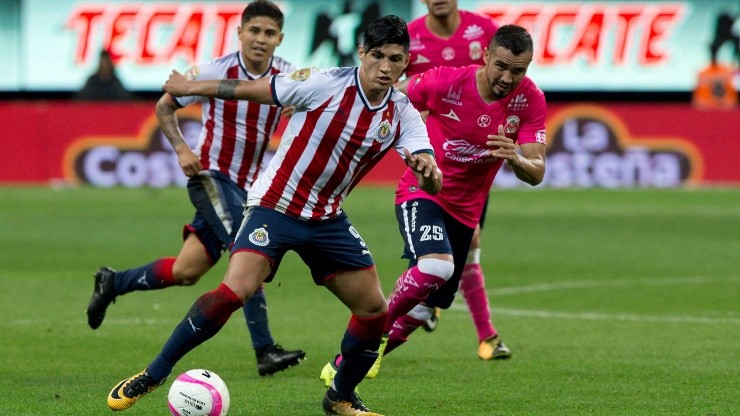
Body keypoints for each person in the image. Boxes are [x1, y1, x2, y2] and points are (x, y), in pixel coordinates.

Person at [105, 14, 442, 416]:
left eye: (396, 59)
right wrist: (190, 87)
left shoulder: (401, 113)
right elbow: (252, 89)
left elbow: (430, 176)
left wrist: (429, 171)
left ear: (407, 61)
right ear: (361, 53)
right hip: (275, 206)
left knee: (374, 311)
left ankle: (340, 396)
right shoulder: (324, 84)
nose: (386, 68)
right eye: (378, 57)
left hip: (327, 218)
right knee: (235, 292)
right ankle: (153, 374)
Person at [86, 0, 305, 377]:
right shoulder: (213, 71)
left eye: (269, 33)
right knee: (248, 249)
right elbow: (164, 107)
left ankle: (113, 282)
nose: (260, 39)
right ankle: (265, 350)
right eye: (254, 31)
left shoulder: (288, 76)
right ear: (240, 32)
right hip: (212, 178)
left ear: (280, 39)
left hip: (249, 188)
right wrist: (182, 149)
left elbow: (321, 98)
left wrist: (300, 107)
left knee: (187, 270)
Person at [320, 24, 545, 385]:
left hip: (465, 212)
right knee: (434, 267)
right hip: (423, 191)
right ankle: (369, 339)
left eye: (518, 70)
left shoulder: (530, 99)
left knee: (429, 304)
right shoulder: (444, 82)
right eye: (501, 66)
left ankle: (343, 362)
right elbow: (389, 95)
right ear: (484, 55)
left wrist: (516, 159)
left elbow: (537, 171)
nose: (507, 77)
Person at [406, 0, 511, 361]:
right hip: (430, 155)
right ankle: (487, 336)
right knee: (456, 249)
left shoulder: (484, 31)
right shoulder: (411, 37)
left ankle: (432, 310)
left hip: (472, 158)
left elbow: (506, 83)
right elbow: (397, 89)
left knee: (458, 251)